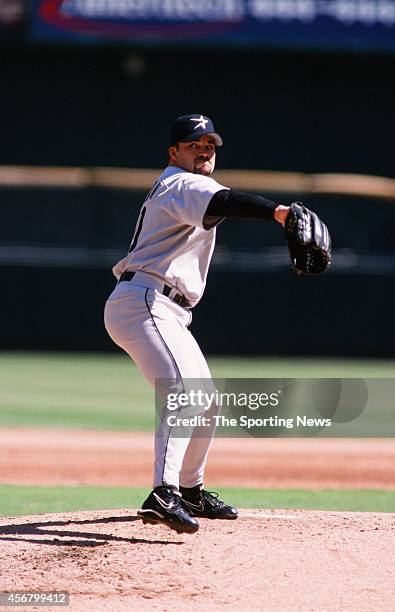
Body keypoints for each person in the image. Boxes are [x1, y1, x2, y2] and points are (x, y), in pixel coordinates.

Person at [104, 114, 290, 534]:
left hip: (163, 306)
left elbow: (219, 202)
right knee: (183, 392)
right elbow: (225, 203)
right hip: (145, 300)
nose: (204, 150)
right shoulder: (180, 183)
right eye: (194, 144)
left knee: (205, 400)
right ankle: (162, 492)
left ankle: (189, 489)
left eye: (210, 144)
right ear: (174, 153)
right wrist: (279, 213)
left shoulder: (191, 184)